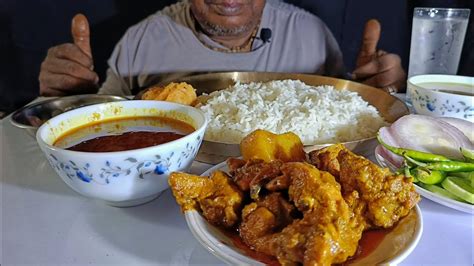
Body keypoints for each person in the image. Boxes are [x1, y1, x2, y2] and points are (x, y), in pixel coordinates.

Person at [38, 0, 406, 97]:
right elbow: (103, 122)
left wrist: (376, 93)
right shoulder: (143, 39)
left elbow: (343, 116)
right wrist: (73, 101)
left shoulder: (311, 34)